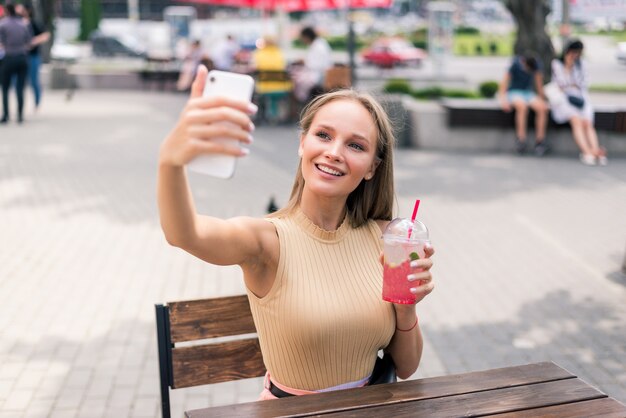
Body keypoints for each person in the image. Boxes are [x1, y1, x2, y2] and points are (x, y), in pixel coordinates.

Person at [157, 65, 435, 399]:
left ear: (372, 168)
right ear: (303, 143)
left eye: (356, 146)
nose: (334, 152)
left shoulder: (387, 238)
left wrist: (406, 306)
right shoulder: (266, 241)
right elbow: (184, 233)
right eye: (324, 135)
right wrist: (170, 163)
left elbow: (406, 367)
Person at [550, 39, 607, 166]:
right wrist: (568, 67)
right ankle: (588, 152)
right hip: (564, 100)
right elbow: (561, 83)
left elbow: (583, 83)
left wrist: (572, 83)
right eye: (572, 53)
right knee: (576, 120)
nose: (574, 56)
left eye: (577, 53)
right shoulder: (557, 64)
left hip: (580, 99)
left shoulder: (581, 64)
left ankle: (595, 150)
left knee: (587, 122)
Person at [498, 53, 549, 156]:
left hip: (528, 93)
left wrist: (542, 99)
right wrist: (503, 101)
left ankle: (540, 141)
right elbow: (504, 82)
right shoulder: (515, 64)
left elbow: (539, 83)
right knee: (522, 107)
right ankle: (521, 140)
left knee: (542, 109)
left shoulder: (536, 64)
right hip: (514, 92)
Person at [0, 3, 31, 124]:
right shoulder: (23, 24)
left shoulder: (3, 24)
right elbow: (28, 41)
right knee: (20, 88)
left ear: (7, 11)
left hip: (8, 57)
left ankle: (6, 115)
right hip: (22, 57)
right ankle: (20, 115)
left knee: (5, 88)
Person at [16, 4, 49, 110]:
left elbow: (45, 35)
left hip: (33, 56)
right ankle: (20, 105)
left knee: (33, 81)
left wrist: (34, 41)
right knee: (19, 81)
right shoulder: (17, 23)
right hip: (21, 56)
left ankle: (37, 101)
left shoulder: (34, 23)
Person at [291, 26, 332, 104]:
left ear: (306, 36)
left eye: (302, 37)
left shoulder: (319, 46)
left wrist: (304, 62)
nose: (302, 40)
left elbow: (318, 65)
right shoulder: (318, 44)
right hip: (318, 75)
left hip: (318, 77)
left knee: (296, 82)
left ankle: (300, 106)